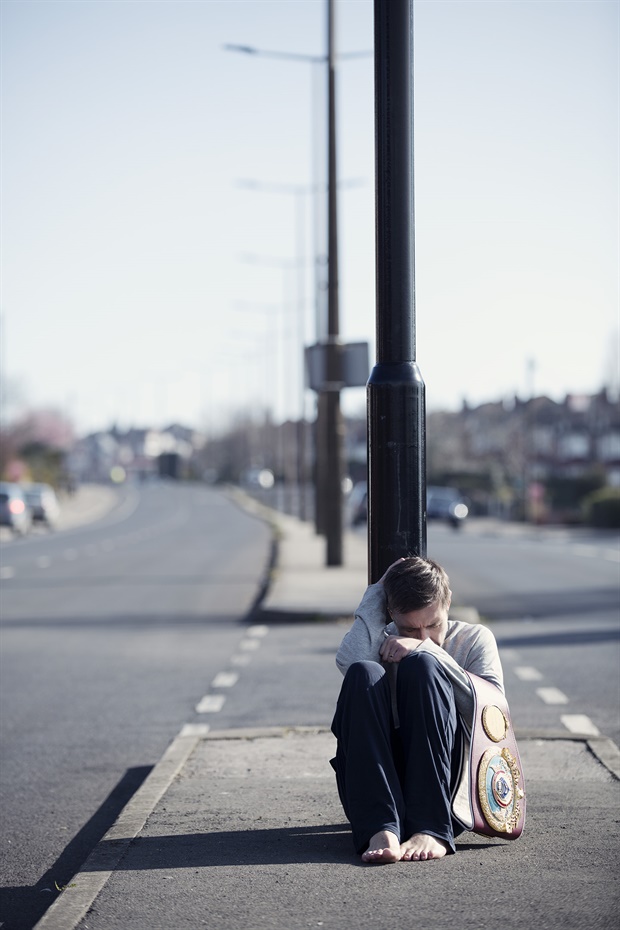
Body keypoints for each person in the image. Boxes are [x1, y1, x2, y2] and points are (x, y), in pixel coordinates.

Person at [330, 555, 504, 864]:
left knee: (423, 665)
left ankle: (431, 828)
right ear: (391, 614)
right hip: (378, 780)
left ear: (447, 602)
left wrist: (425, 650)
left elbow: (491, 713)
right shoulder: (380, 641)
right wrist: (376, 593)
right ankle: (381, 828)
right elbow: (348, 661)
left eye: (434, 624)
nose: (424, 635)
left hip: (444, 780)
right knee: (363, 673)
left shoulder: (475, 639)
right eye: (410, 630)